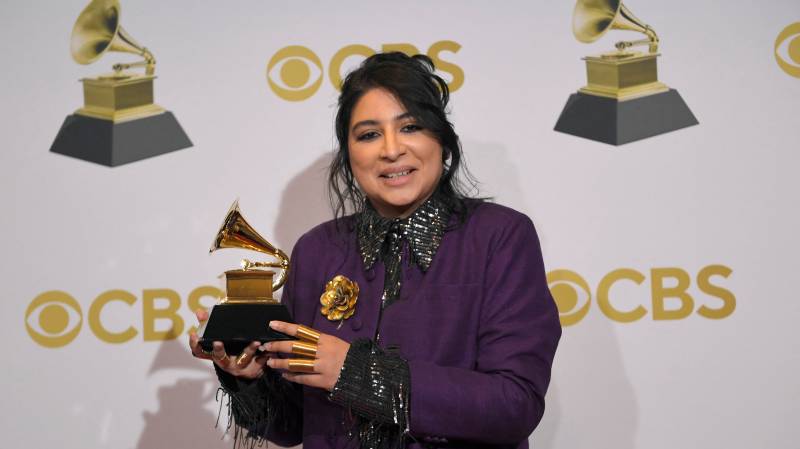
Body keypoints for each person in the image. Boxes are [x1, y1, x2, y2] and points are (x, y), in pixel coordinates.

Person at [189, 52, 561, 449]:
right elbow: (293, 424)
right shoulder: (317, 249)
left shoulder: (498, 236)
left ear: (442, 140)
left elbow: (514, 404)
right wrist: (248, 376)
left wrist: (354, 374)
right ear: (349, 155)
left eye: (411, 127)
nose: (391, 150)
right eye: (368, 134)